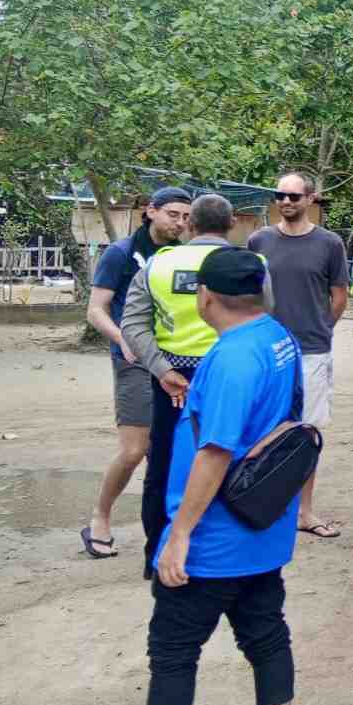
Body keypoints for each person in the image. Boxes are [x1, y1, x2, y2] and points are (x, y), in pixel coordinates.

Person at [66, 247, 303, 705]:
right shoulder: (278, 338)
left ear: (205, 297)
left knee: (173, 653)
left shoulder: (231, 359)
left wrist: (178, 536)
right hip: (263, 529)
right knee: (267, 637)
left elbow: (215, 452)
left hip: (214, 541)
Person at [121, 193, 246, 580]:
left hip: (172, 383)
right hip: (231, 377)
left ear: (190, 224)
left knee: (163, 465)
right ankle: (223, 554)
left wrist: (162, 370)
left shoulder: (158, 264)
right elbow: (265, 320)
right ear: (232, 224)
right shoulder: (251, 264)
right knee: (231, 458)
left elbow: (133, 326)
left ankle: (156, 556)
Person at [79, 187, 192, 560]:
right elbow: (96, 309)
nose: (180, 222)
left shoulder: (182, 255)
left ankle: (168, 528)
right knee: (134, 450)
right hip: (133, 360)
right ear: (151, 211)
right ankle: (100, 517)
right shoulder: (121, 253)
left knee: (171, 449)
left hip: (175, 361)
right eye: (173, 214)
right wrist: (123, 339)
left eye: (186, 216)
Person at [248, 172, 348, 539]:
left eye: (293, 196)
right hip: (266, 353)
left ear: (310, 198)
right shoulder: (258, 240)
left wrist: (322, 328)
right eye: (280, 195)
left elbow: (339, 296)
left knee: (306, 433)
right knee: (265, 429)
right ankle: (264, 506)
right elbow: (250, 293)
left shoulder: (329, 244)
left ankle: (304, 512)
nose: (286, 201)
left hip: (312, 351)